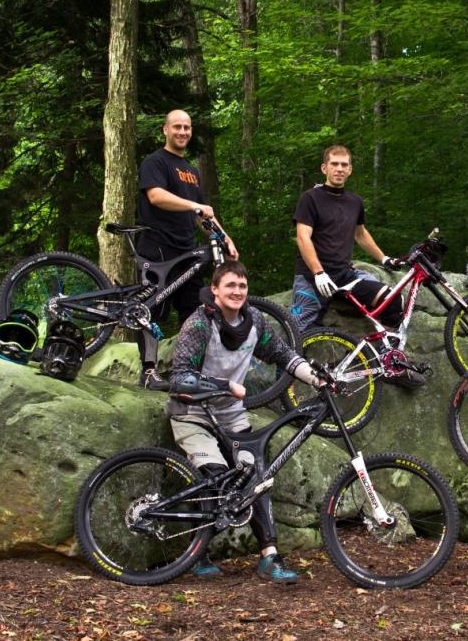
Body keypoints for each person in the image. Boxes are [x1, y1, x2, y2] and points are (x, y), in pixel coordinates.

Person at [168, 260, 320, 584]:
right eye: (230, 286)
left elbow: (283, 355)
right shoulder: (199, 324)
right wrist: (226, 387)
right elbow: (180, 378)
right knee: (216, 478)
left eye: (242, 286)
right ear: (215, 290)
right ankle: (198, 556)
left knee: (255, 477)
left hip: (231, 415)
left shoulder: (255, 322)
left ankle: (270, 557)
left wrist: (315, 377)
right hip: (193, 415)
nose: (237, 292)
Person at [290, 145, 421, 386]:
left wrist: (383, 259)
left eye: (344, 165)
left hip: (346, 275)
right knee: (295, 334)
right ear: (324, 168)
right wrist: (318, 272)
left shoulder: (355, 202)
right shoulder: (310, 198)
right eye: (334, 164)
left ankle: (389, 363)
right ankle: (280, 390)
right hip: (312, 278)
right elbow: (302, 237)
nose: (339, 169)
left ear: (350, 169)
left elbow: (360, 234)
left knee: (394, 302)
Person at [136, 109, 238, 391]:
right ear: (165, 130)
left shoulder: (191, 172)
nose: (182, 132)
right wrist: (194, 206)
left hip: (187, 252)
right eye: (177, 127)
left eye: (187, 128)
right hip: (157, 249)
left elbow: (203, 216)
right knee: (150, 310)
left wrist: (225, 237)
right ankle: (148, 372)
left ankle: (186, 372)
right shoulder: (154, 162)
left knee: (196, 312)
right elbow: (156, 196)